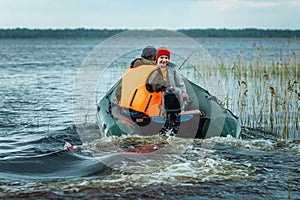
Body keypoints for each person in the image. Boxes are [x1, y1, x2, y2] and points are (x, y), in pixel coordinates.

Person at [115, 46, 167, 125]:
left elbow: (118, 92)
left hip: (126, 112)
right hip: (142, 115)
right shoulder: (152, 71)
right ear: (155, 58)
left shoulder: (131, 69)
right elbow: (162, 86)